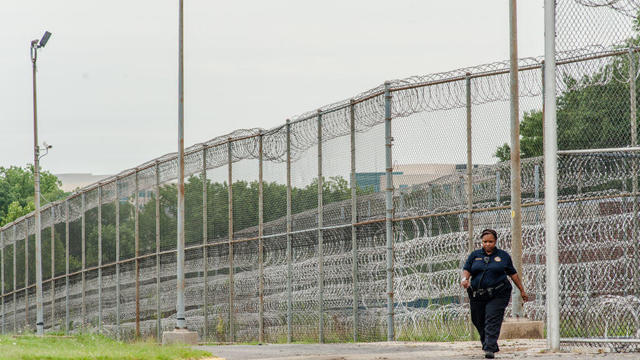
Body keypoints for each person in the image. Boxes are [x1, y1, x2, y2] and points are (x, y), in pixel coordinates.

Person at [461, 228, 528, 359]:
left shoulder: (503, 256)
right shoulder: (475, 255)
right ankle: (488, 343)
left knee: (492, 318)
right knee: (478, 319)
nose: (487, 244)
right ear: (481, 242)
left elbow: (513, 274)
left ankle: (489, 348)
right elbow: (467, 269)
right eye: (485, 241)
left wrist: (522, 290)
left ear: (495, 241)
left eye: (490, 241)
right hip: (478, 294)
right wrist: (465, 280)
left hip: (499, 293)